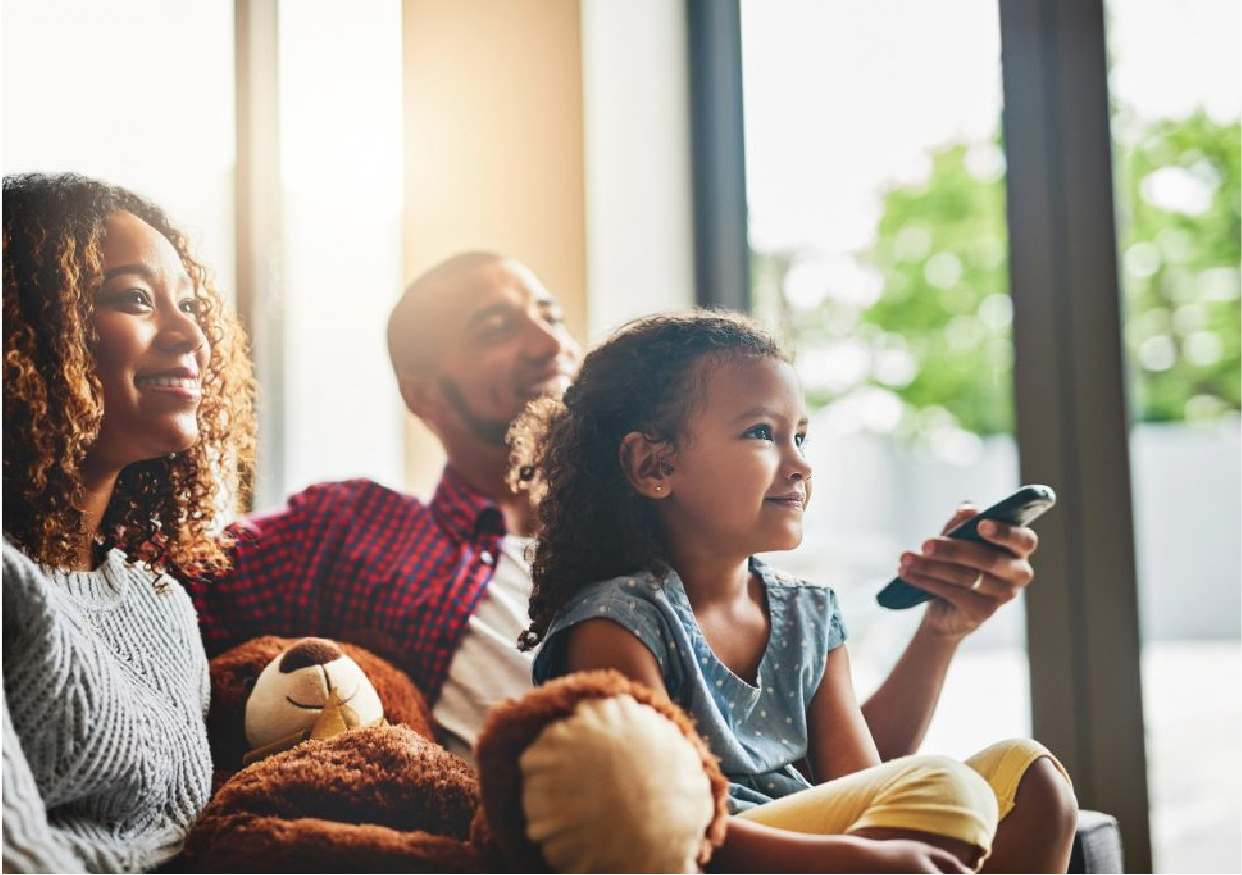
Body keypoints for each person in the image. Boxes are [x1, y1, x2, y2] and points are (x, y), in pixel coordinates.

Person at [191, 250, 1050, 778]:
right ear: (423, 392)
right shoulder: (359, 529)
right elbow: (158, 571)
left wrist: (941, 627)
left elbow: (841, 780)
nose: (546, 342)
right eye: (497, 326)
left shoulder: (707, 543)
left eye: (551, 314)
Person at [516, 311, 1078, 873]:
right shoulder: (616, 626)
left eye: (800, 436)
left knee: (1030, 776)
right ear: (653, 464)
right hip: (713, 855)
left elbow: (866, 784)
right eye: (762, 433)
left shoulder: (807, 612)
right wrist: (854, 862)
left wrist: (940, 629)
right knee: (944, 785)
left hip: (821, 847)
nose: (801, 464)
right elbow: (652, 829)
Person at [2, 172, 256, 872]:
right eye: (134, 299)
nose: (189, 335)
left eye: (192, 306)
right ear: (24, 332)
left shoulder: (162, 603)